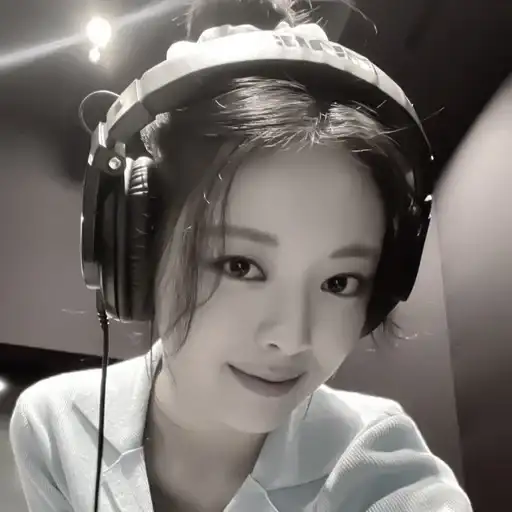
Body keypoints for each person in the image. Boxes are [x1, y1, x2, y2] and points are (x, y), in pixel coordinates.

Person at [9, 0, 473, 511]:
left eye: (339, 282)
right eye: (240, 266)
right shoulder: (54, 426)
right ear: (137, 252)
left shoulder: (384, 470)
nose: (290, 337)